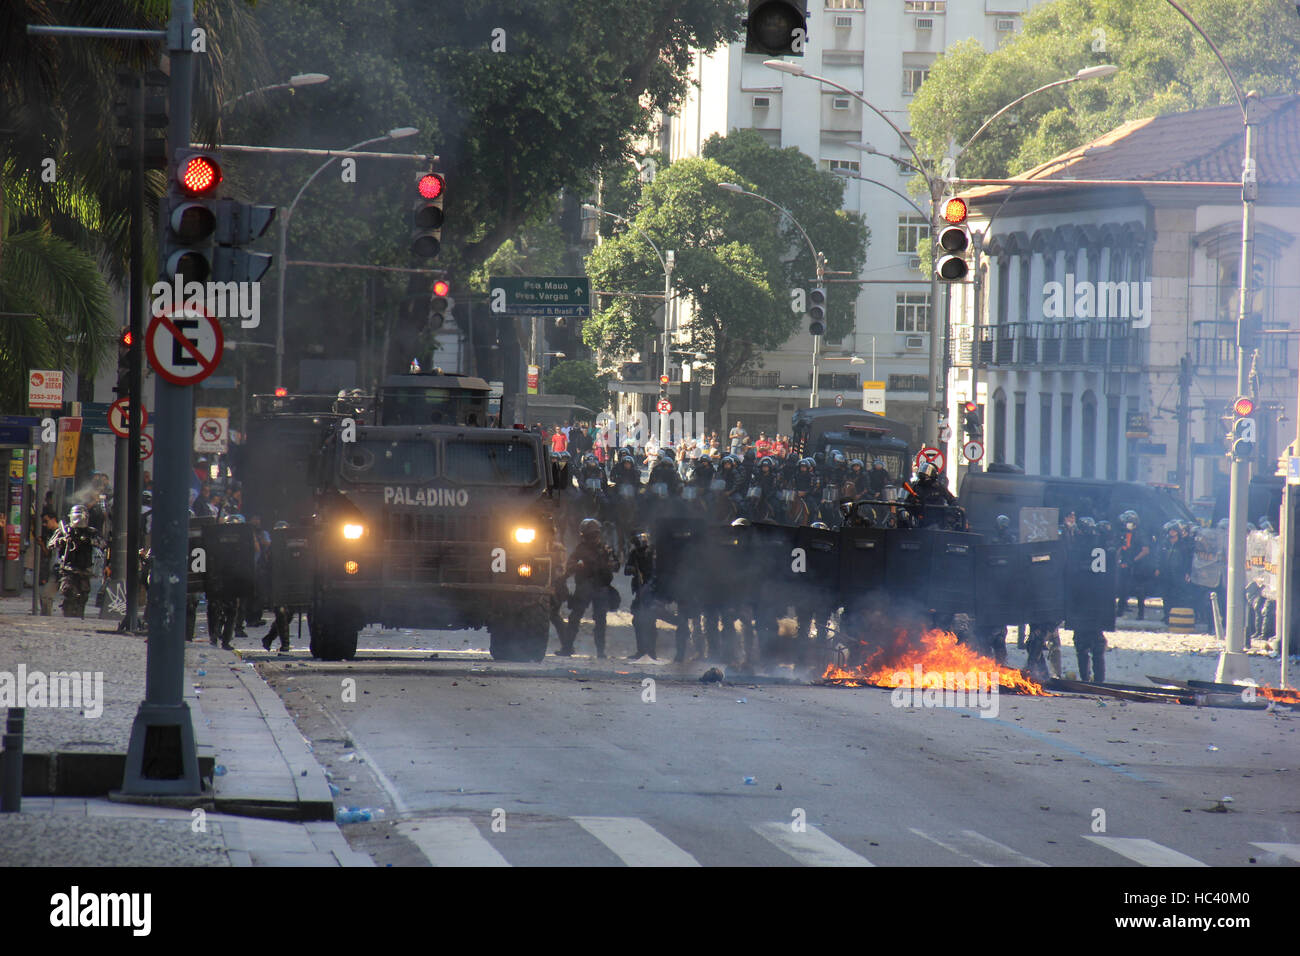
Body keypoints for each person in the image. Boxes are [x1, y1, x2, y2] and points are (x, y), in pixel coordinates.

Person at [561, 518, 619, 658]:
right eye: (591, 535)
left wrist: (609, 565)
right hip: (585, 586)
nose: (593, 538)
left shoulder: (605, 549)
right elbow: (569, 567)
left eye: (595, 534)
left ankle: (599, 651)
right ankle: (568, 648)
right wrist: (577, 567)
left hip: (600, 586)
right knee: (577, 617)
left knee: (599, 620)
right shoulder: (580, 550)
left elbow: (616, 565)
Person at [624, 531, 658, 661]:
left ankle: (652, 651)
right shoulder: (634, 553)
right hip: (640, 591)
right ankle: (641, 650)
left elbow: (656, 571)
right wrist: (632, 569)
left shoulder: (652, 553)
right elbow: (627, 569)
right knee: (638, 620)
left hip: (651, 591)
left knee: (650, 620)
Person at [1115, 510, 1154, 620]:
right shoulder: (1123, 533)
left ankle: (1140, 613)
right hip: (1125, 564)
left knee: (1139, 590)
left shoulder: (1140, 534)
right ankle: (1120, 609)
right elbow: (1120, 548)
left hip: (1137, 565)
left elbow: (1145, 550)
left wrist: (1134, 560)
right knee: (1122, 588)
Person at [33, 510, 60, 616]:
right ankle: (46, 617)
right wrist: (42, 544)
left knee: (46, 595)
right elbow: (48, 553)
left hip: (62, 569)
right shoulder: (50, 533)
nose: (45, 524)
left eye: (46, 521)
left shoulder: (62, 532)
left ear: (53, 519)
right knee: (45, 596)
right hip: (53, 568)